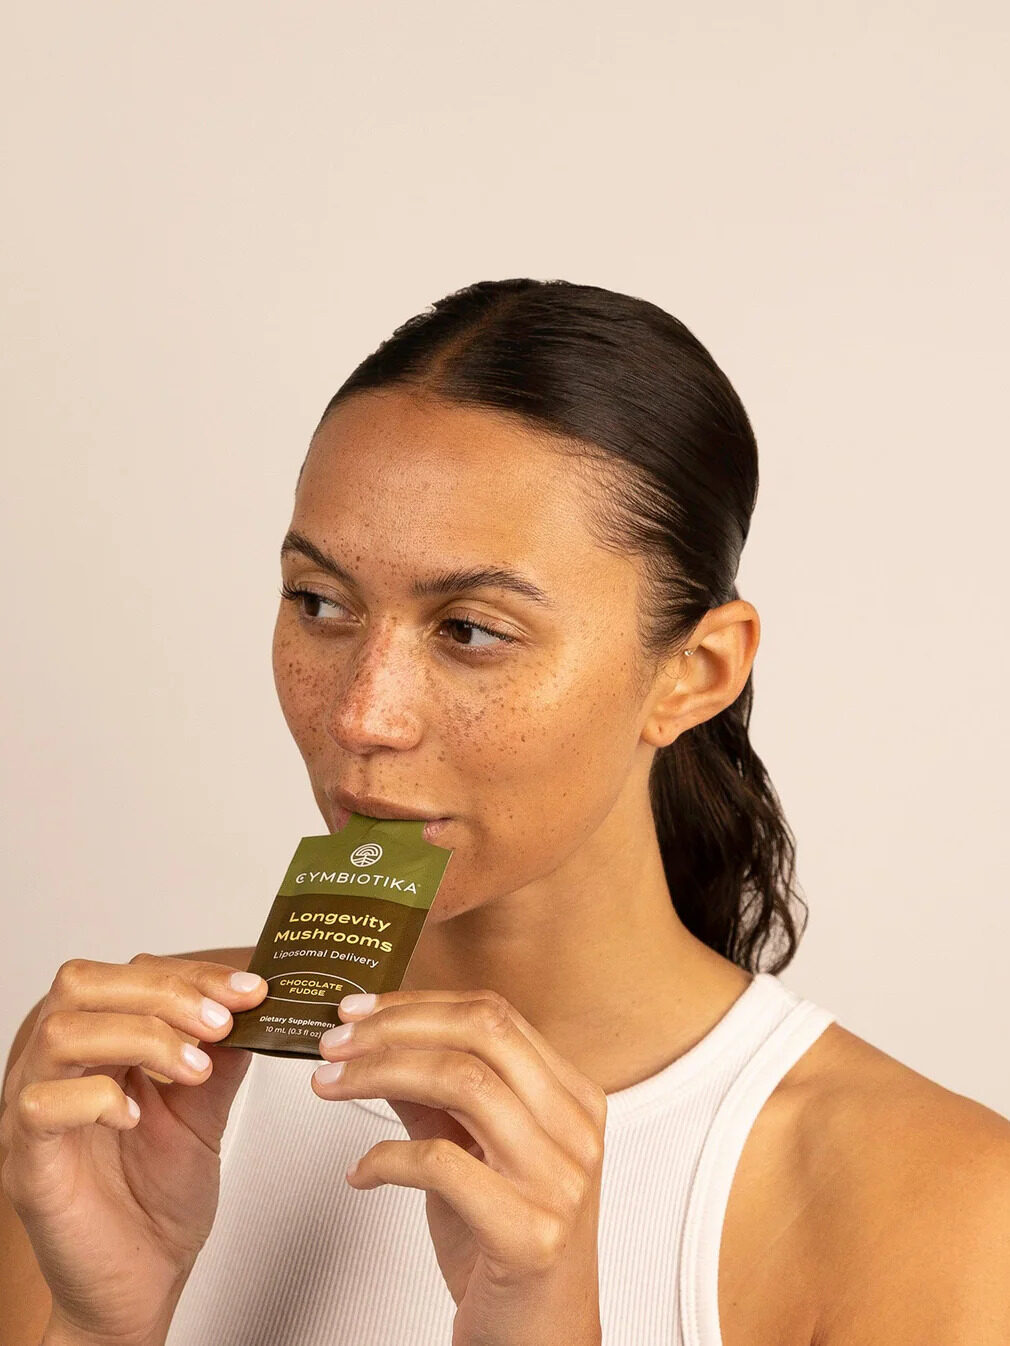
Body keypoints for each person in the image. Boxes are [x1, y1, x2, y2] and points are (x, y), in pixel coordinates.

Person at [2, 278, 1008, 1346]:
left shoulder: (934, 1203)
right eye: (321, 603)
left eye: (471, 629)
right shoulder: (133, 1074)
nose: (362, 714)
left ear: (695, 671)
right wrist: (98, 1323)